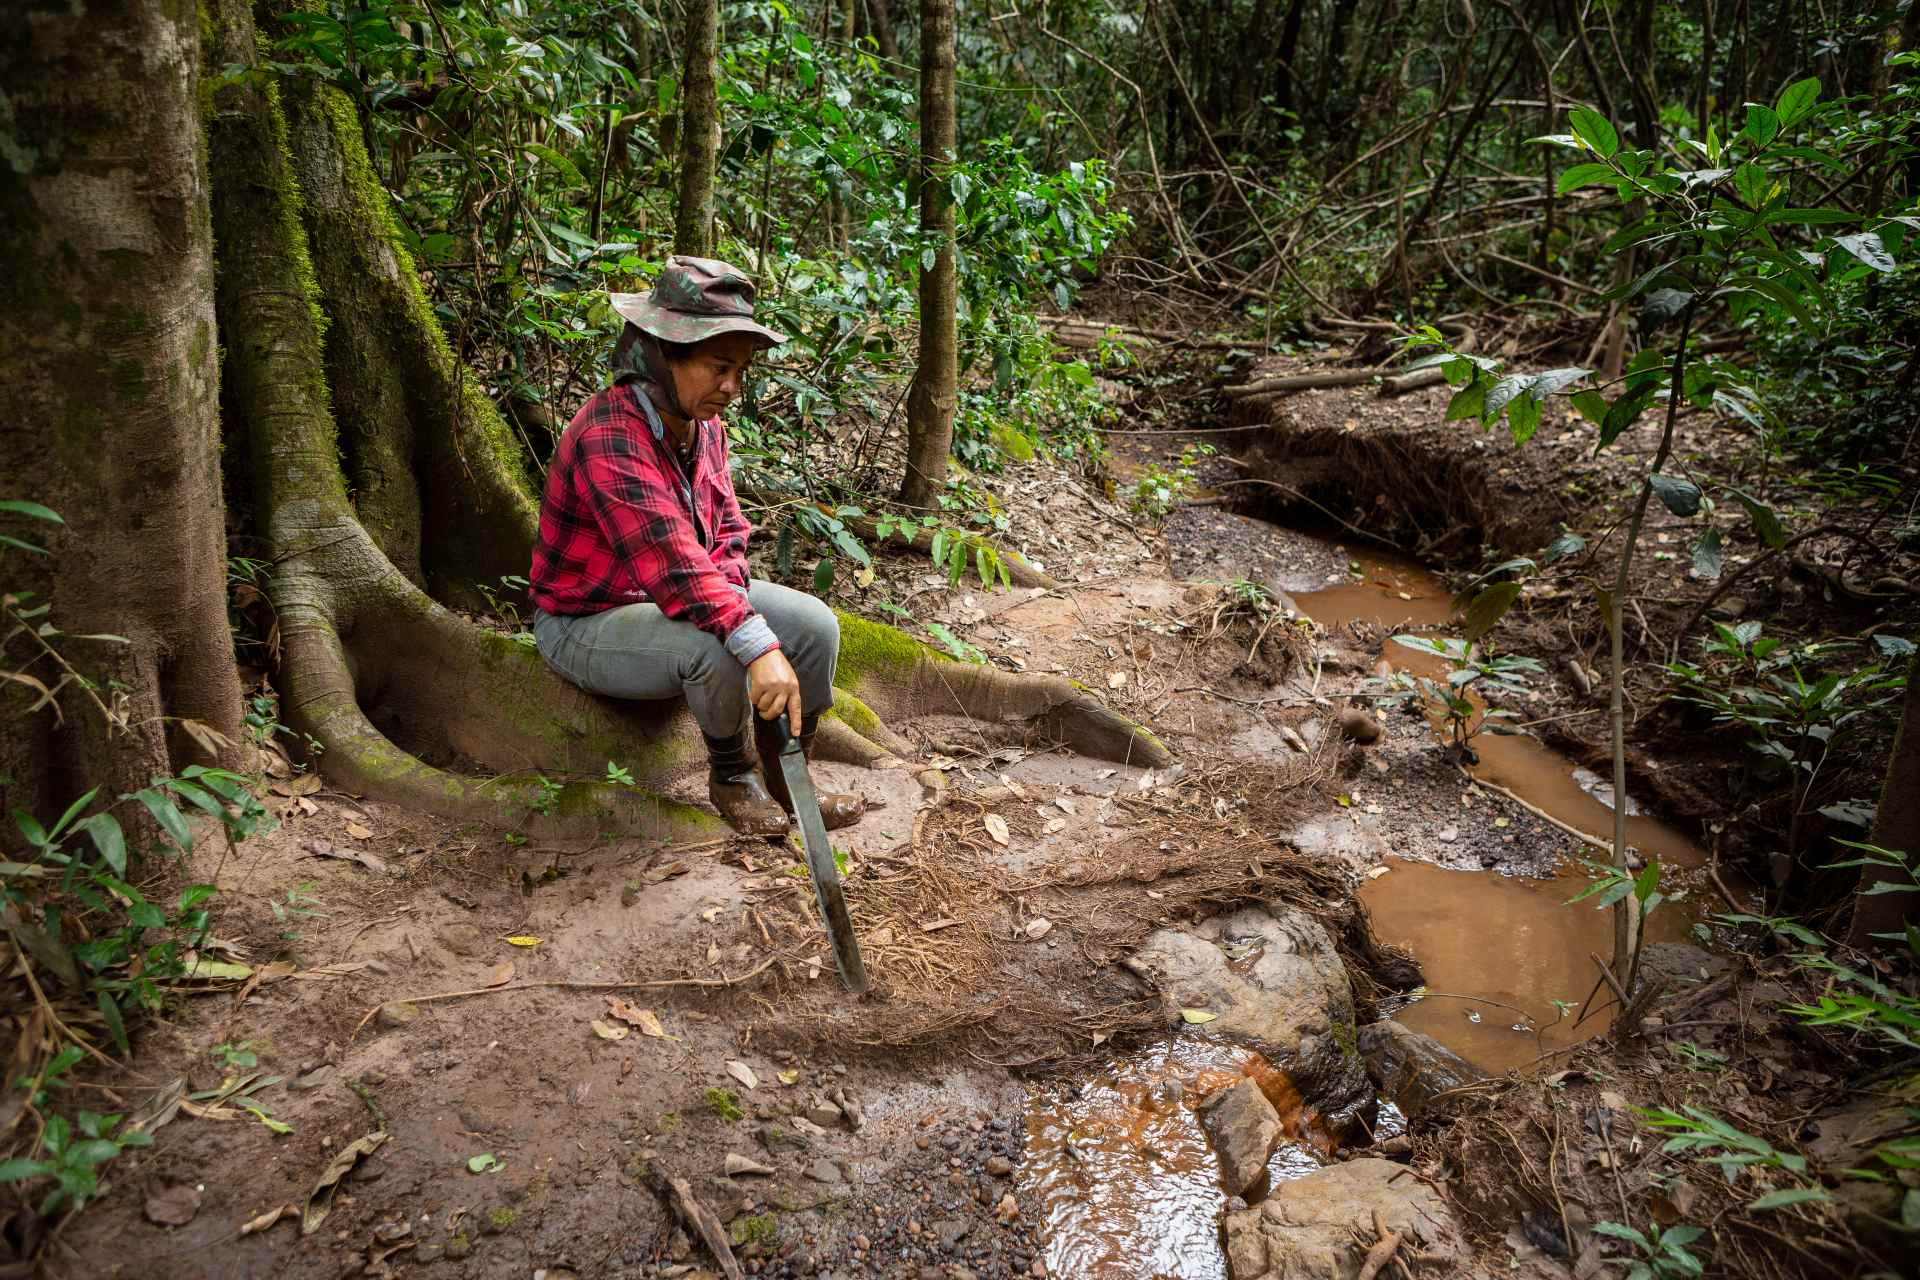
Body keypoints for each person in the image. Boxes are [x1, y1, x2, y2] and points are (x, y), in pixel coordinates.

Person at [528, 256, 864, 837]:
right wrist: (754, 641)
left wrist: (741, 608)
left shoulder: (704, 424)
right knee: (716, 645)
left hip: (673, 598)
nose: (731, 387)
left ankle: (791, 777)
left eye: (740, 370)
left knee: (814, 627)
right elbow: (673, 562)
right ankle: (734, 776)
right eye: (717, 367)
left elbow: (727, 533)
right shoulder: (609, 433)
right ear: (663, 354)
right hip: (585, 620)